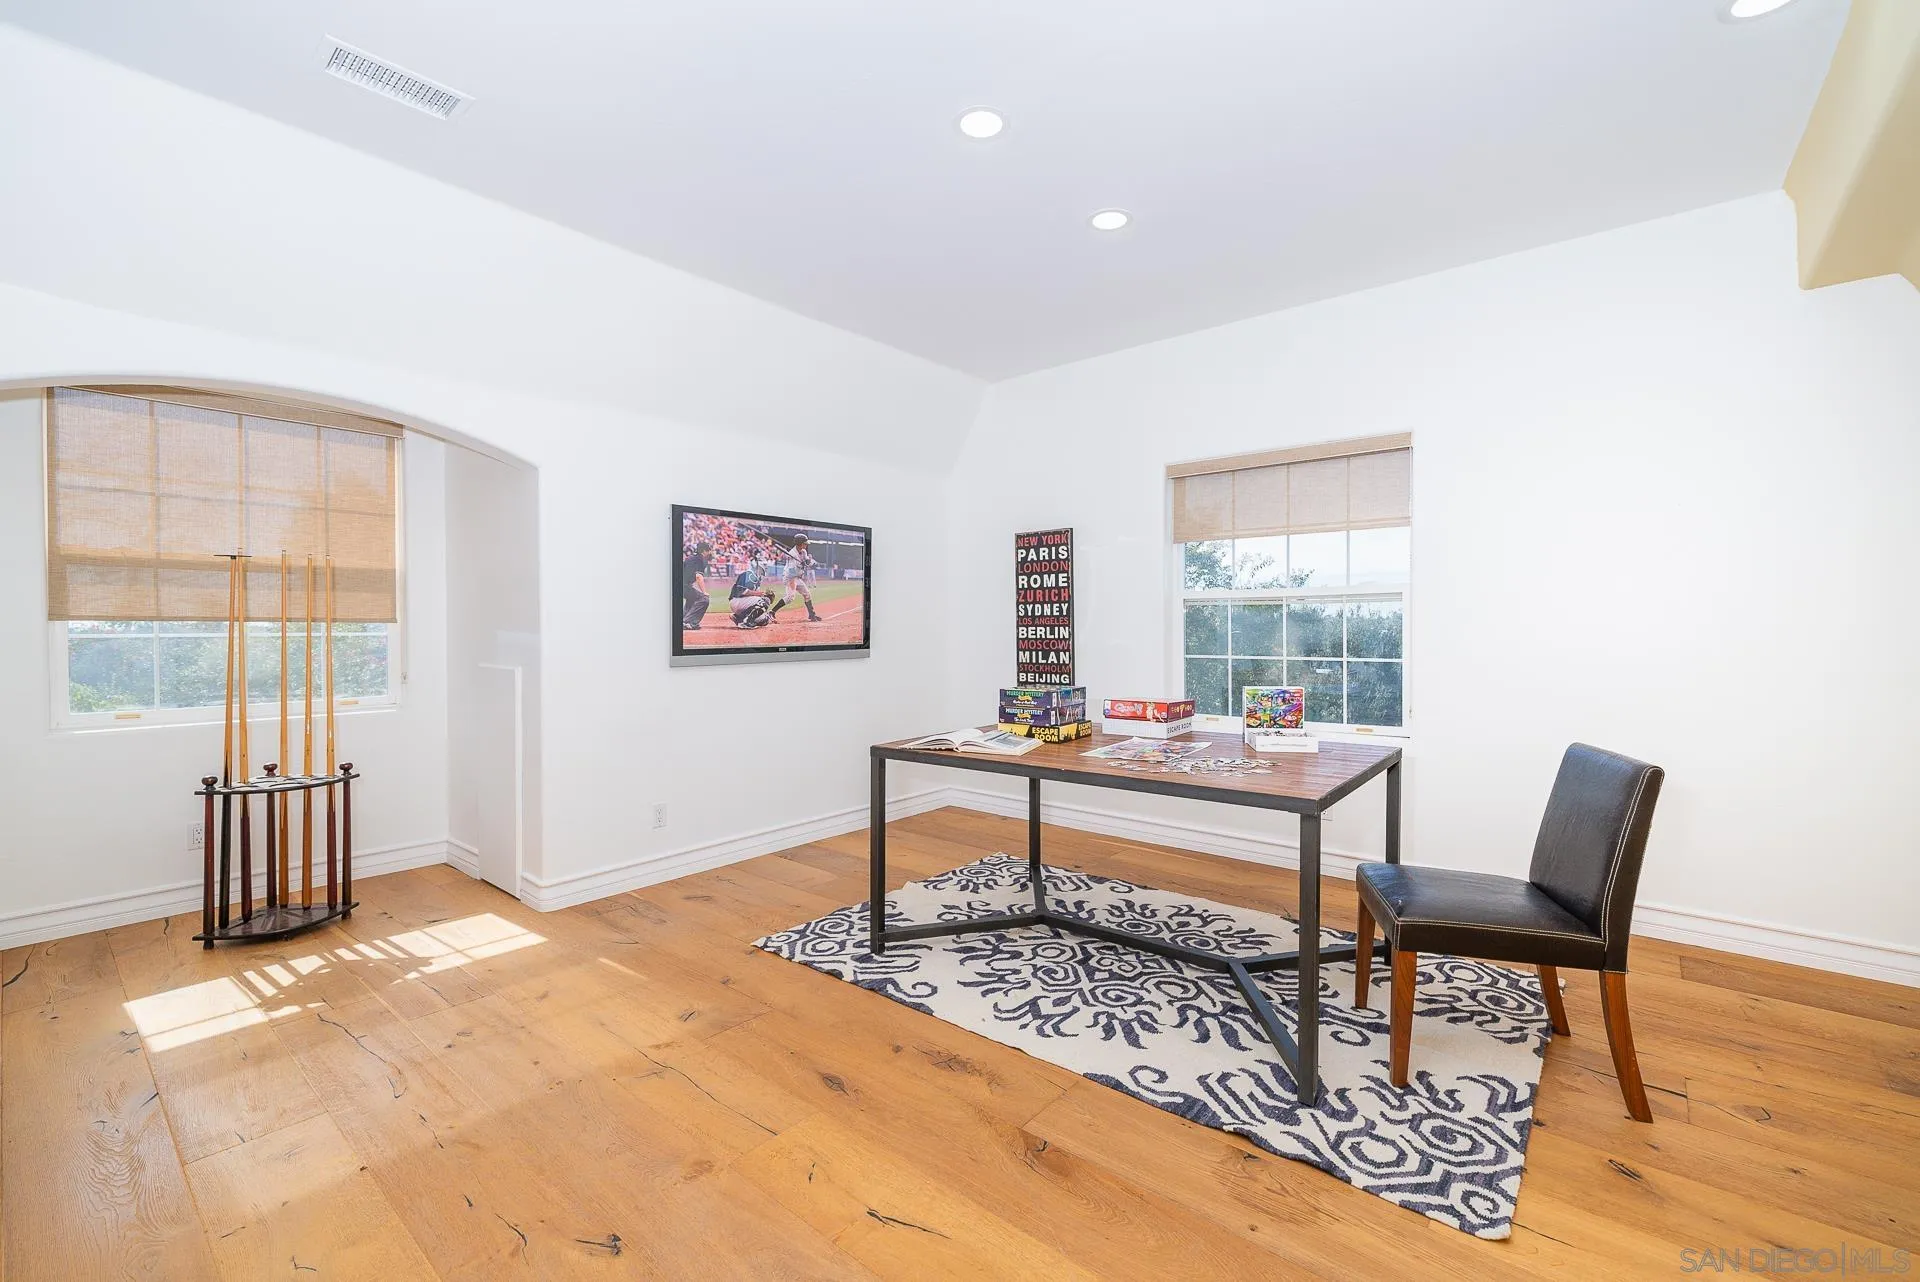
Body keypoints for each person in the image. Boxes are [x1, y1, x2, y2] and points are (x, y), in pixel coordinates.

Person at [772, 534, 824, 622]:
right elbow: (792, 572)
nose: (806, 545)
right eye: (804, 543)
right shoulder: (792, 555)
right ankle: (772, 612)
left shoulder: (803, 551)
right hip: (790, 577)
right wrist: (801, 565)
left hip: (797, 577)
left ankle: (812, 615)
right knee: (790, 597)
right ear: (800, 543)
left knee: (807, 594)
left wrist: (808, 562)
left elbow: (807, 561)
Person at [681, 540, 712, 630]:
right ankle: (688, 622)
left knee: (692, 598)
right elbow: (698, 577)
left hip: (681, 584)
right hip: (684, 585)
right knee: (704, 599)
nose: (710, 552)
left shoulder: (692, 557)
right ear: (703, 551)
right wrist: (704, 592)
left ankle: (683, 620)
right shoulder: (700, 559)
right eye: (708, 550)